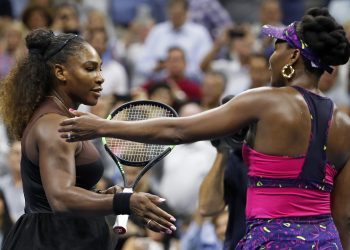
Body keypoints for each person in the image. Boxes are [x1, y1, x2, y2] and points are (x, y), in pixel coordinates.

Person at [59, 8, 350, 249]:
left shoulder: (264, 100)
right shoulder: (344, 124)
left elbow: (178, 130)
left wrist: (102, 126)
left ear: (293, 57)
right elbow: (344, 215)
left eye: (276, 47)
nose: (271, 58)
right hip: (327, 241)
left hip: (272, 240)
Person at [0, 28, 176, 250]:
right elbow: (61, 198)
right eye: (90, 68)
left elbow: (56, 192)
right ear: (60, 72)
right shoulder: (55, 125)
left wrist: (99, 196)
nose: (101, 78)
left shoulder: (59, 119)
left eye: (100, 69)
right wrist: (125, 202)